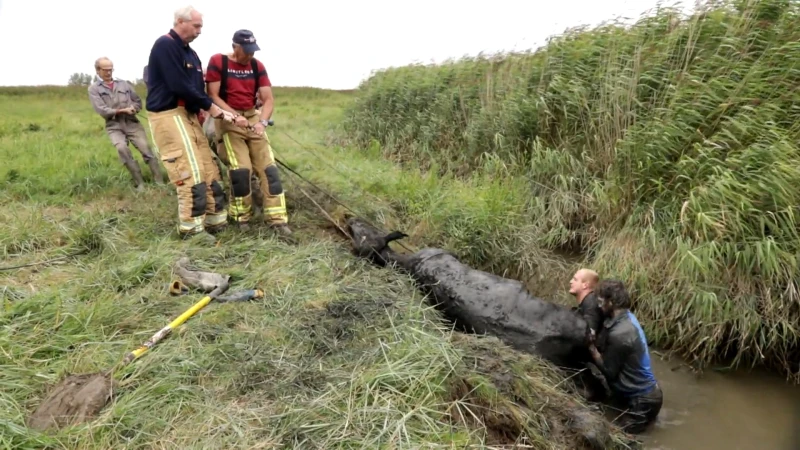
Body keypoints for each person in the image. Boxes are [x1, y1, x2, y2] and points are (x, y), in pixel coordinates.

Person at [144, 5, 238, 242]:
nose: (199, 31)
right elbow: (178, 84)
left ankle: (215, 220)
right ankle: (191, 230)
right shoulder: (165, 45)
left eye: (201, 27)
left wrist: (200, 110)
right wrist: (212, 107)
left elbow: (195, 87)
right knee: (190, 172)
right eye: (196, 26)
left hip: (189, 115)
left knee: (209, 169)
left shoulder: (191, 53)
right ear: (180, 22)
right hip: (169, 114)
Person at [205, 29, 291, 235]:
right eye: (246, 51)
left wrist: (262, 122)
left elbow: (268, 99)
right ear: (235, 47)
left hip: (252, 116)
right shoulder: (218, 61)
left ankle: (277, 219)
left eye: (253, 50)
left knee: (269, 168)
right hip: (228, 119)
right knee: (241, 170)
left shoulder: (256, 65)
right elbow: (213, 95)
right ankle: (241, 217)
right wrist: (234, 116)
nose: (251, 55)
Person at [588, 279, 663, 434]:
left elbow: (609, 371)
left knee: (619, 436)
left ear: (612, 302)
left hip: (643, 401)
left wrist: (590, 348)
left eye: (601, 301)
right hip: (637, 393)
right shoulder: (623, 318)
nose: (599, 305)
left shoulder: (622, 333)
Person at [88, 57, 163, 191]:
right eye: (105, 70)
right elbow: (101, 110)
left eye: (110, 69)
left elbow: (137, 101)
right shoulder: (94, 89)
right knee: (122, 149)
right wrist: (122, 110)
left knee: (146, 149)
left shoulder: (124, 84)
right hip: (113, 125)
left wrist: (134, 108)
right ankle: (140, 183)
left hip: (132, 123)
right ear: (97, 71)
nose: (108, 72)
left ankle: (159, 181)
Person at [569, 268, 603, 337]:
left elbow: (590, 335)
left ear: (585, 285)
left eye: (575, 279)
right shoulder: (590, 300)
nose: (570, 281)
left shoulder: (591, 303)